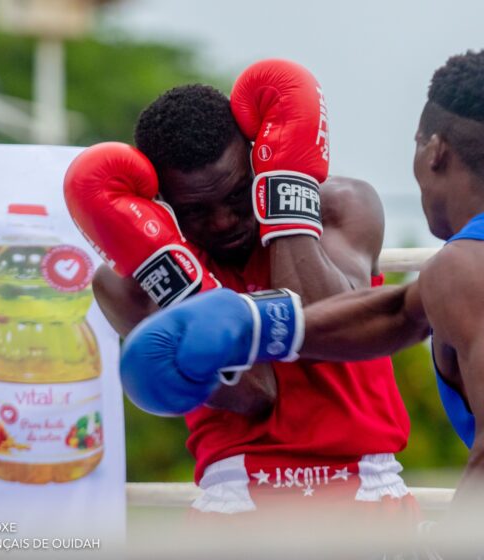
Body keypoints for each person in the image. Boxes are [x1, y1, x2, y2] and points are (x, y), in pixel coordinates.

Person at [122, 50, 484, 511]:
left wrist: (449, 551)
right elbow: (400, 316)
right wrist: (250, 324)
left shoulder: (466, 265)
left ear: (434, 149)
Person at [65, 59, 415, 517]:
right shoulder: (127, 284)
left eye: (237, 195)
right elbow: (254, 393)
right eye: (195, 211)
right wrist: (174, 271)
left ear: (257, 161)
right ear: (160, 204)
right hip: (236, 500)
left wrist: (286, 202)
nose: (224, 221)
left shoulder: (340, 207)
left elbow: (334, 330)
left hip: (366, 487)